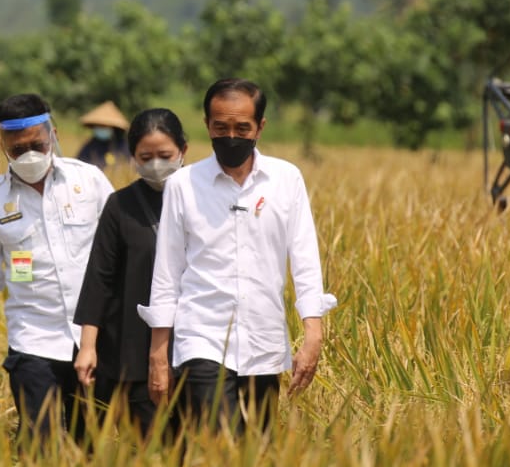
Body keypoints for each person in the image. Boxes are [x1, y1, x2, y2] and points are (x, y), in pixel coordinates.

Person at [140, 78, 337, 436]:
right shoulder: (183, 185)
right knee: (222, 441)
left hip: (262, 338)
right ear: (207, 126)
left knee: (255, 450)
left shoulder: (286, 179)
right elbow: (167, 273)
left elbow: (305, 259)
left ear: (260, 126)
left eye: (242, 128)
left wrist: (314, 334)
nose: (230, 136)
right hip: (201, 335)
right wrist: (158, 354)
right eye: (221, 127)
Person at [0, 93, 113, 447]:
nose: (29, 155)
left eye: (37, 144)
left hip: (94, 339)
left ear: (53, 135)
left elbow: (119, 252)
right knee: (38, 445)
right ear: (1, 144)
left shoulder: (89, 181)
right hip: (34, 340)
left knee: (91, 443)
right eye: (18, 149)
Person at [73, 108, 187, 438]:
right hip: (129, 351)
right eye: (145, 156)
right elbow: (99, 278)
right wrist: (88, 346)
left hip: (190, 349)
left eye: (164, 155)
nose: (155, 164)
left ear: (183, 151)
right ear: (133, 157)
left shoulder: (200, 201)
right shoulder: (119, 205)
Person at [76, 101, 131, 170]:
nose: (101, 128)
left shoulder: (123, 146)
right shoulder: (91, 145)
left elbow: (127, 167)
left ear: (113, 128)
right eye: (98, 126)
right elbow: (78, 164)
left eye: (104, 126)